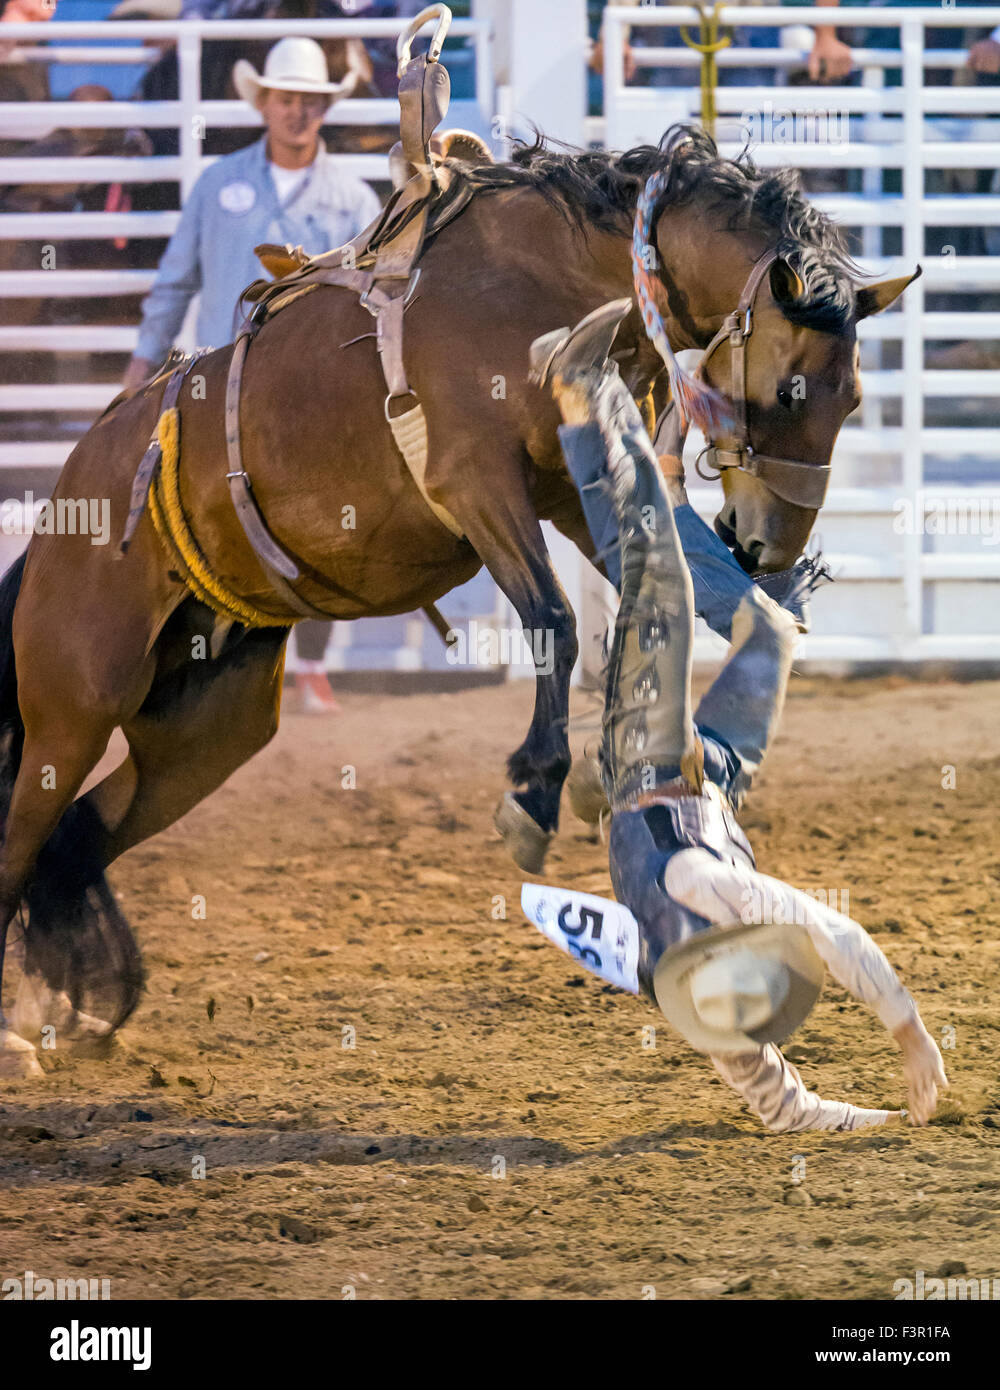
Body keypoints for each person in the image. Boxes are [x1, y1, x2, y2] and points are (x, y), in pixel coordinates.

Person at [522, 301, 948, 1134]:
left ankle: (582, 395)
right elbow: (789, 1112)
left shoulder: (704, 895)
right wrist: (889, 1120)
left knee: (659, 587)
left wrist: (911, 1034)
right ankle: (669, 476)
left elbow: (833, 931)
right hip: (709, 776)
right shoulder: (709, 1006)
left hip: (648, 762)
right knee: (773, 630)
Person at [124, 37, 382, 712]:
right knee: (203, 526)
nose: (297, 112)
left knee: (326, 526)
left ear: (325, 109)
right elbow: (176, 279)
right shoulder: (218, 184)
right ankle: (205, 667)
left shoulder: (353, 200)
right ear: (265, 104)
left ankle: (309, 667)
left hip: (319, 396)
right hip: (222, 391)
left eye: (309, 102)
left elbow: (377, 299)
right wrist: (139, 367)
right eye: (286, 99)